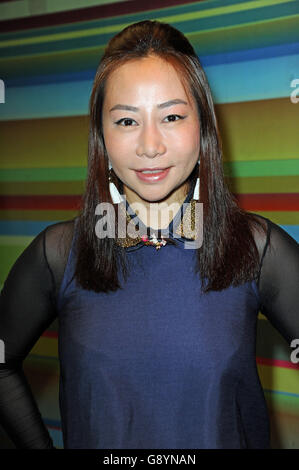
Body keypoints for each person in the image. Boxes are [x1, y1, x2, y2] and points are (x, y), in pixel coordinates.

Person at [0, 20, 298, 450]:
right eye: (126, 121)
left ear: (204, 128)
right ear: (101, 135)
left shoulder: (257, 249)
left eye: (172, 116)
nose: (150, 145)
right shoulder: (59, 255)